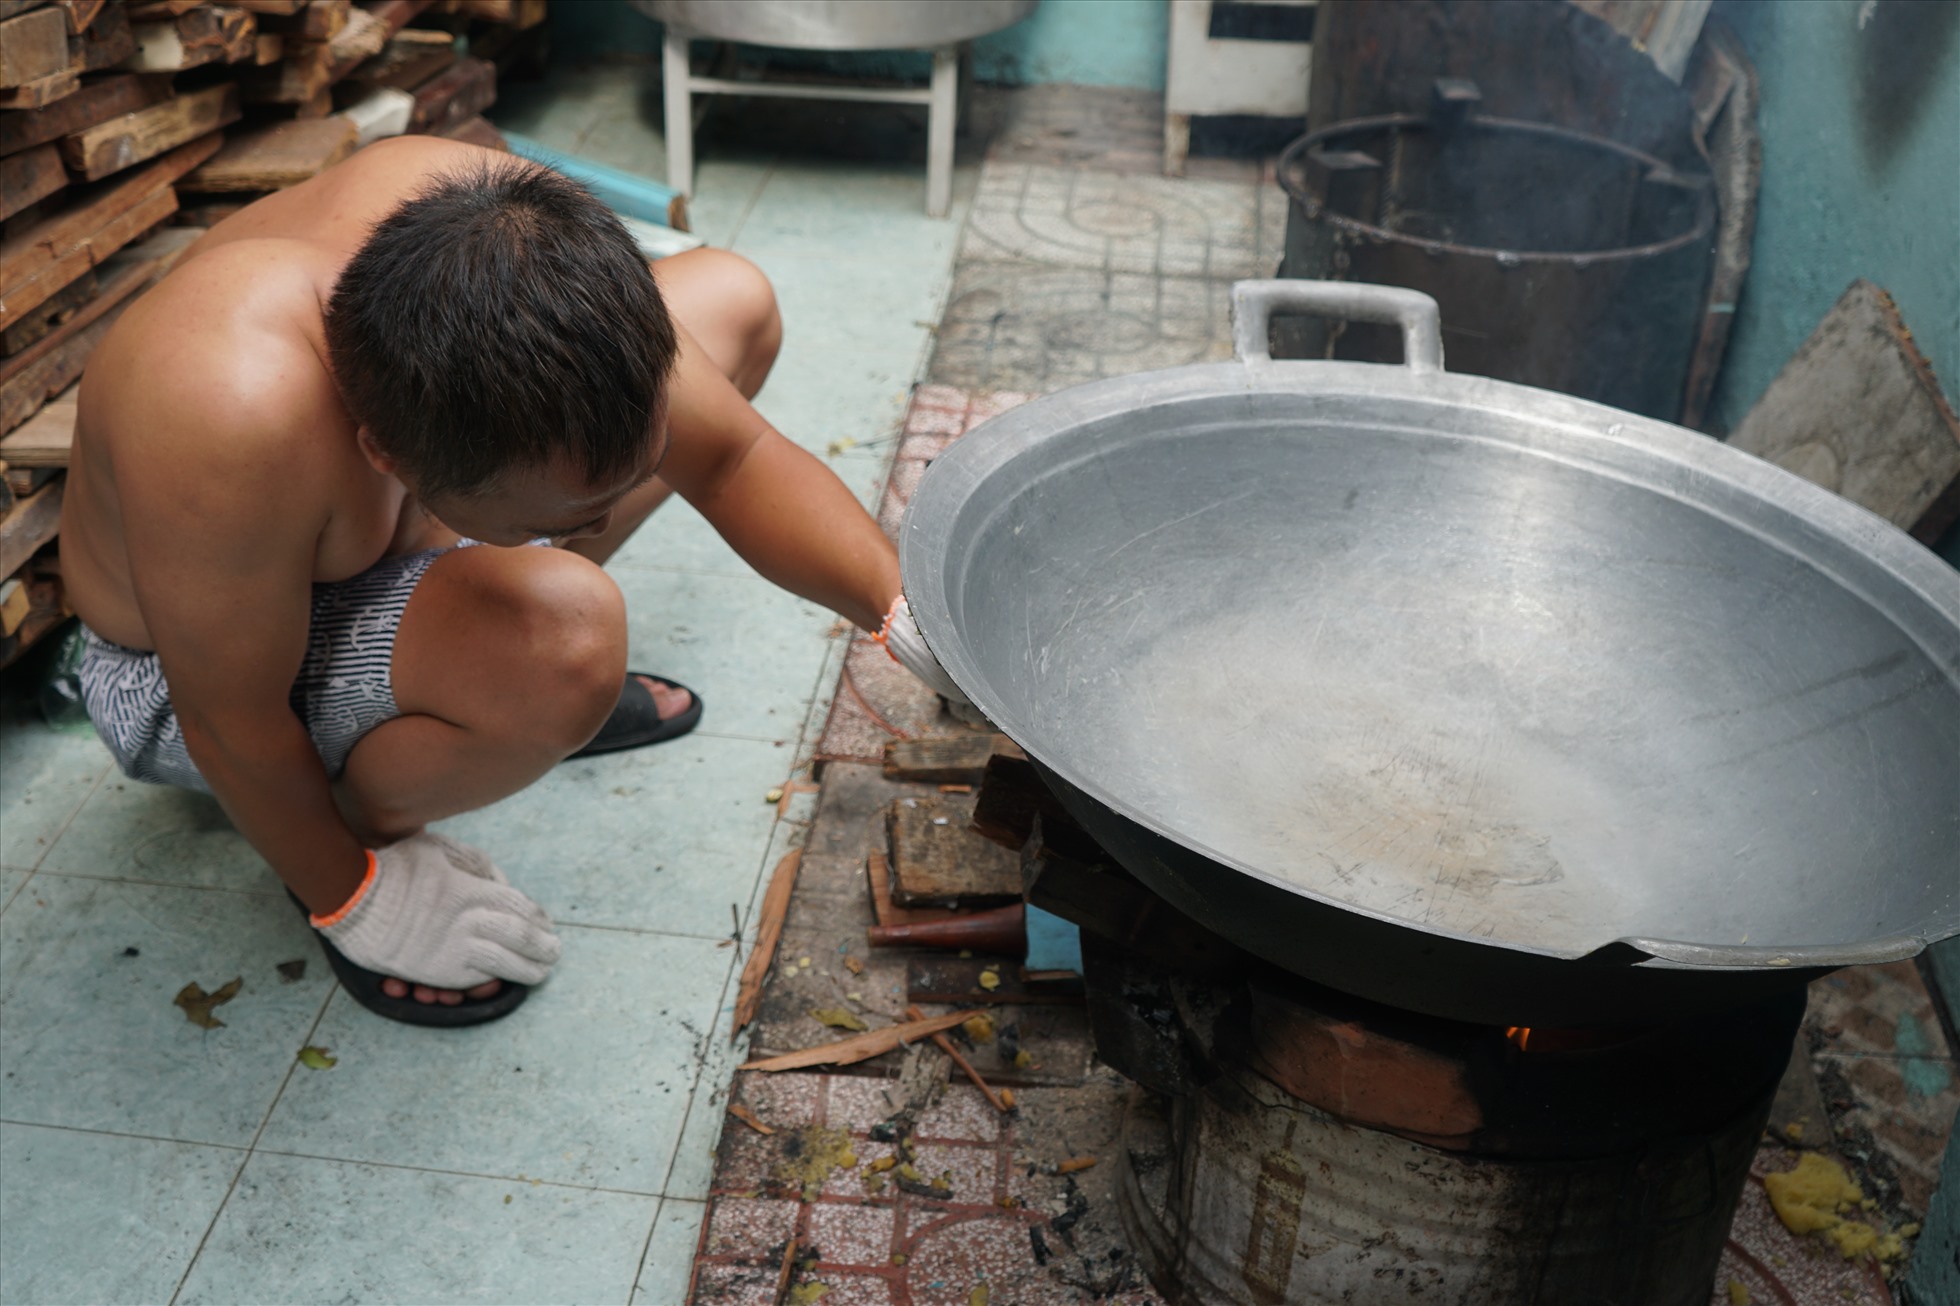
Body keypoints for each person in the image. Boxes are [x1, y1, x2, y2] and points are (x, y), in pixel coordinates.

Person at [60, 136, 961, 1026]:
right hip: (186, 682)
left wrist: (910, 615)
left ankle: (491, 679)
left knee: (734, 300)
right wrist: (352, 894)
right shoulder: (227, 408)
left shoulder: (491, 223)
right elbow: (231, 718)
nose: (609, 522)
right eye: (565, 518)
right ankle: (371, 808)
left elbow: (732, 458)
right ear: (385, 454)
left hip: (380, 515)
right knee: (567, 637)